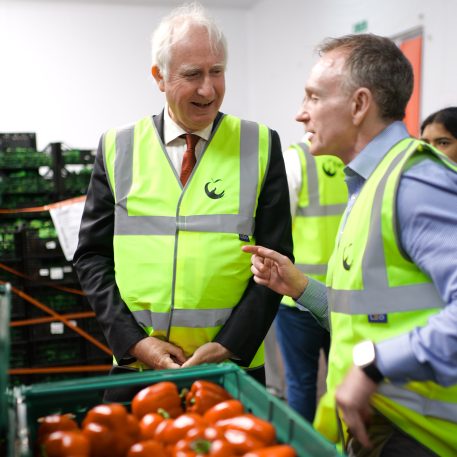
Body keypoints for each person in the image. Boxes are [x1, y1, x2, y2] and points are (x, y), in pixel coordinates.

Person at [243, 33, 457, 457]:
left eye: (313, 98)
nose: (301, 114)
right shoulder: (367, 184)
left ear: (359, 105)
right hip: (380, 425)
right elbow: (369, 313)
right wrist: (301, 287)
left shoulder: (415, 182)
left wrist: (376, 364)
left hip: (419, 434)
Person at [73, 1, 292, 400]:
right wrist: (136, 343)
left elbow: (276, 261)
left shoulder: (260, 144)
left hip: (232, 370)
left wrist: (230, 345)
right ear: (159, 76)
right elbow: (91, 256)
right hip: (137, 369)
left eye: (217, 72)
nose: (208, 89)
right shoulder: (118, 147)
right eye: (192, 75)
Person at [273, 137, 347, 422]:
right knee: (342, 380)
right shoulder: (357, 160)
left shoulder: (296, 159)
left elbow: (277, 227)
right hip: (345, 296)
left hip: (297, 296)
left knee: (301, 383)